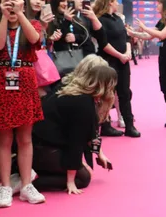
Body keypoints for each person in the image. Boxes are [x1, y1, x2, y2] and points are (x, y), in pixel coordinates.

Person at [0, 0, 45, 208]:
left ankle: (27, 184)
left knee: (25, 137)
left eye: (16, 2)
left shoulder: (33, 24)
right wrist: (4, 16)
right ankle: (5, 186)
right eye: (6, 2)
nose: (11, 6)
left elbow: (35, 39)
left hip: (26, 80)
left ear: (23, 4)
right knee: (4, 138)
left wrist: (20, 14)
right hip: (3, 80)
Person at [32, 56, 117, 194]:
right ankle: (28, 181)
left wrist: (98, 153)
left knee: (82, 171)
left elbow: (89, 129)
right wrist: (71, 180)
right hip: (44, 147)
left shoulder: (72, 88)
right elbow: (75, 140)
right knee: (83, 178)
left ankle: (27, 177)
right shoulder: (82, 101)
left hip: (42, 143)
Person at [92, 0, 140, 138]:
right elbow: (103, 43)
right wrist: (120, 55)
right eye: (115, 1)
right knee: (107, 94)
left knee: (125, 93)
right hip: (108, 61)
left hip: (123, 62)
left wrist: (128, 52)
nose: (117, 3)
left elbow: (126, 38)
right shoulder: (100, 20)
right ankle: (105, 125)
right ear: (109, 2)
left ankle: (129, 126)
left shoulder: (118, 19)